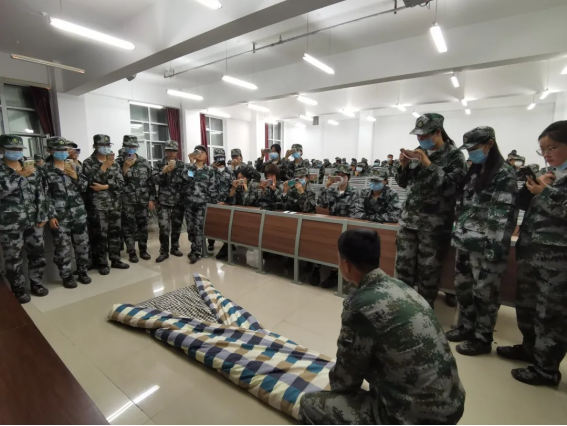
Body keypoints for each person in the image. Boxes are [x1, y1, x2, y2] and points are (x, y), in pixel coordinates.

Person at [299, 229, 466, 426]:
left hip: (417, 418)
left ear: (346, 264)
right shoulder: (400, 287)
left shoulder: (360, 305)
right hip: (452, 405)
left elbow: (345, 381)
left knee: (309, 404)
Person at [497, 121, 567, 387]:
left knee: (551, 314)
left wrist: (545, 193)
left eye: (552, 148)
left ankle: (547, 369)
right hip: (532, 253)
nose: (547, 154)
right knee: (526, 307)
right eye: (542, 149)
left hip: (558, 261)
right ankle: (529, 349)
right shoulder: (549, 173)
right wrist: (530, 190)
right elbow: (525, 205)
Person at [447, 127, 519, 356]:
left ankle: (482, 338)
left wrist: (493, 250)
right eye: (468, 149)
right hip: (466, 242)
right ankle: (466, 328)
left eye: (474, 148)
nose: (471, 153)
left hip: (487, 246)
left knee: (485, 295)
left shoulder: (504, 174)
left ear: (489, 144)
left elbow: (503, 217)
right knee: (464, 289)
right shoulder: (475, 171)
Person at [396, 113, 466, 308]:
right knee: (403, 270)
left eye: (424, 135)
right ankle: (402, 310)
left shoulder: (454, 156)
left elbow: (451, 188)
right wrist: (403, 166)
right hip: (408, 222)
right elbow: (403, 183)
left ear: (437, 132)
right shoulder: (417, 153)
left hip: (434, 227)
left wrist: (428, 163)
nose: (420, 139)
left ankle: (424, 312)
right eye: (418, 135)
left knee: (428, 273)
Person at [0, 135, 49, 304]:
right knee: (13, 259)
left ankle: (37, 283)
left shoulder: (30, 166)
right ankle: (18, 289)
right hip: (9, 223)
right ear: (2, 150)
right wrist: (19, 176)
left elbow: (41, 192)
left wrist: (43, 214)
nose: (16, 152)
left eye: (19, 149)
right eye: (12, 149)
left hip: (33, 220)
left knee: (38, 254)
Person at [43, 137, 92, 288]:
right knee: (63, 248)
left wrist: (75, 176)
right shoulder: (44, 169)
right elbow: (44, 195)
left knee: (82, 244)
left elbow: (84, 187)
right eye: (58, 149)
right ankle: (66, 275)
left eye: (64, 149)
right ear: (50, 151)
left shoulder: (74, 166)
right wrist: (51, 215)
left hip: (78, 212)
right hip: (60, 215)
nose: (62, 152)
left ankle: (82, 271)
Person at [83, 134, 129, 275]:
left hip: (115, 203)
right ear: (95, 146)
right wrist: (103, 168)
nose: (105, 148)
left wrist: (105, 186)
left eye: (107, 145)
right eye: (102, 145)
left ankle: (115, 259)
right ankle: (102, 263)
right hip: (98, 205)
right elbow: (90, 183)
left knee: (115, 233)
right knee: (100, 235)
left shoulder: (114, 162)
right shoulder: (88, 162)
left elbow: (121, 183)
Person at [318, 164, 360, 288]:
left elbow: (355, 212)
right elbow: (322, 204)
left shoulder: (355, 193)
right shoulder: (332, 191)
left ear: (348, 177)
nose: (340, 177)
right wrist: (326, 186)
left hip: (348, 227)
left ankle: (337, 273)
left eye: (343, 175)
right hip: (332, 225)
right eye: (338, 175)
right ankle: (321, 268)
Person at [117, 136, 155, 263]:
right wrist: (124, 169)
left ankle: (143, 250)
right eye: (128, 146)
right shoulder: (118, 162)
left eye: (133, 146)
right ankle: (132, 252)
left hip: (142, 200)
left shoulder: (144, 162)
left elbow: (150, 182)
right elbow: (116, 184)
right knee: (128, 227)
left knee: (142, 226)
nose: (131, 149)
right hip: (126, 200)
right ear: (124, 147)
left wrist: (151, 199)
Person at [183, 145, 218, 264]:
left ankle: (196, 252)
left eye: (203, 152)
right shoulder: (189, 168)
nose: (200, 154)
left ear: (206, 156)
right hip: (189, 203)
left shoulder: (210, 170)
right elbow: (186, 179)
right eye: (198, 152)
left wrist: (215, 202)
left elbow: (212, 188)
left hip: (202, 204)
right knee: (190, 228)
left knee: (198, 227)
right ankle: (194, 246)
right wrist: (191, 163)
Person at [152, 141, 186, 263]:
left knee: (177, 226)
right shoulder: (159, 164)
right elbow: (154, 180)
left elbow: (188, 179)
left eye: (174, 151)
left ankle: (175, 248)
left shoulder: (182, 165)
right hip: (163, 201)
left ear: (177, 152)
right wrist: (164, 171)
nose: (171, 153)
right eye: (169, 151)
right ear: (165, 151)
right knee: (164, 227)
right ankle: (164, 251)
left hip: (178, 201)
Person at [209, 147, 233, 254]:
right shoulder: (210, 171)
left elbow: (232, 187)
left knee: (225, 225)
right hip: (213, 202)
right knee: (212, 224)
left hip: (226, 202)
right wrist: (215, 201)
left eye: (222, 157)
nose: (220, 160)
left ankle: (226, 243)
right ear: (214, 159)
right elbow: (207, 187)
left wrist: (227, 202)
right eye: (217, 158)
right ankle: (211, 242)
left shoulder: (230, 172)